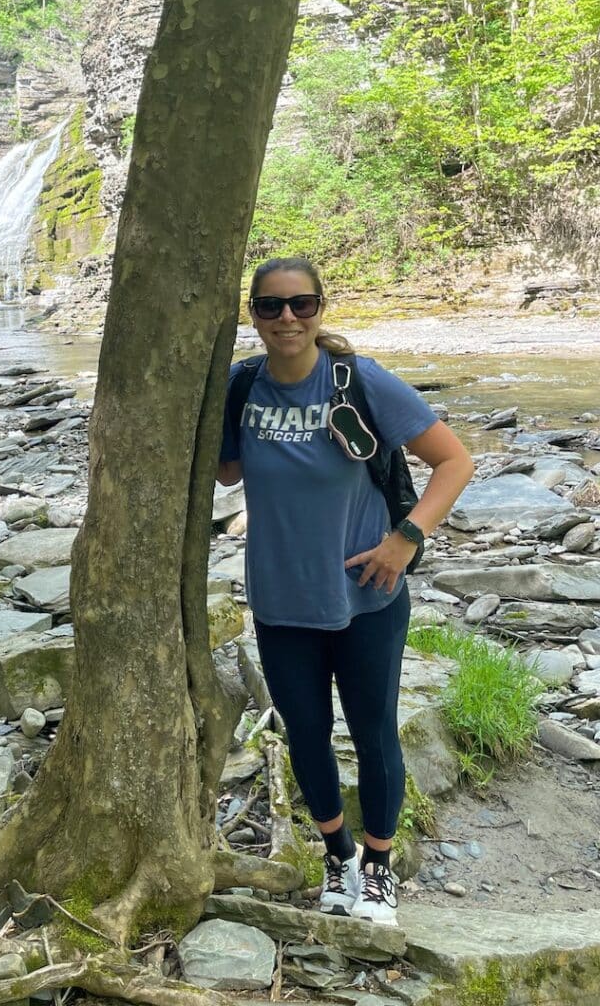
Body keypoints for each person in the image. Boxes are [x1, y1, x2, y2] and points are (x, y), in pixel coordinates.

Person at [218, 257, 474, 926]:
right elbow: (220, 473)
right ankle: (335, 855)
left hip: (367, 597)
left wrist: (406, 538)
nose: (287, 319)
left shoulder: (358, 381)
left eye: (301, 305)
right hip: (280, 600)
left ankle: (378, 867)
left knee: (372, 733)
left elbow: (455, 460)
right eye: (271, 307)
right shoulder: (241, 386)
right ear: (254, 315)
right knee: (306, 734)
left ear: (320, 308)